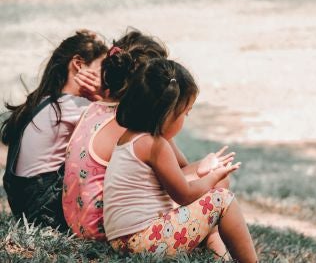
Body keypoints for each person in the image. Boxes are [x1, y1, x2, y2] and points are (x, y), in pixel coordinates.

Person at [103, 58, 257, 262]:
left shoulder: (130, 137)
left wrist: (205, 174)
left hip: (123, 241)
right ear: (167, 113)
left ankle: (220, 256)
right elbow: (184, 194)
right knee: (222, 199)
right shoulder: (155, 145)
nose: (186, 118)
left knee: (215, 191)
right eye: (185, 113)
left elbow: (176, 182)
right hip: (143, 242)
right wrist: (214, 177)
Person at [62, 30, 168, 240]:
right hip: (105, 228)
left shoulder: (91, 108)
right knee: (212, 186)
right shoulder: (130, 126)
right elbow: (175, 175)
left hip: (76, 222)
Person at [0, 30, 108, 231]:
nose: (105, 78)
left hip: (25, 206)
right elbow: (121, 125)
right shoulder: (74, 106)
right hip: (45, 212)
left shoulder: (45, 101)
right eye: (102, 69)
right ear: (78, 64)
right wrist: (102, 96)